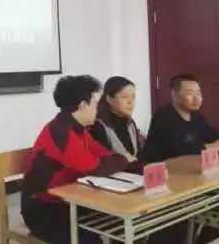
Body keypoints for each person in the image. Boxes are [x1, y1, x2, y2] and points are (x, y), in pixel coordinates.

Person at [21, 75, 134, 244]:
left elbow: (102, 152)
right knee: (91, 241)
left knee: (126, 223)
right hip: (43, 208)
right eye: (96, 104)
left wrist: (123, 159)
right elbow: (95, 167)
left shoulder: (79, 129)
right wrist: (124, 160)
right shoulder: (61, 132)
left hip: (69, 201)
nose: (99, 109)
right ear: (83, 105)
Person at [144, 74, 219, 164]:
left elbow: (214, 138)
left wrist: (207, 148)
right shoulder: (164, 117)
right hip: (165, 168)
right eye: (190, 93)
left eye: (199, 93)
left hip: (190, 166)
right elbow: (184, 152)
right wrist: (207, 148)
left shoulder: (197, 116)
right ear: (174, 95)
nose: (196, 98)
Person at [91, 76, 143, 169]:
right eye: (125, 97)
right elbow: (103, 160)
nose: (130, 102)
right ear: (109, 99)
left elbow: (138, 155)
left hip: (133, 174)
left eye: (133, 97)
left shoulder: (130, 123)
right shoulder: (98, 125)